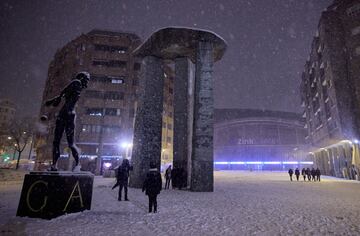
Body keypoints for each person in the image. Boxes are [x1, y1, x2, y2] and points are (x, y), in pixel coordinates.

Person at [45, 72, 90, 171]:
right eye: (86, 80)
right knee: (70, 143)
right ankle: (76, 164)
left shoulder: (76, 84)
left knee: (58, 141)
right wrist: (53, 101)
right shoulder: (77, 83)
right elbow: (62, 94)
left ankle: (55, 165)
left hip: (65, 113)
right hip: (69, 114)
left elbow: (62, 94)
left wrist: (53, 101)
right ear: (82, 78)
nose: (86, 83)